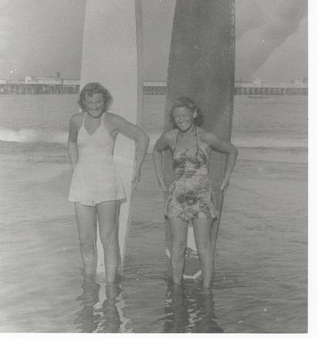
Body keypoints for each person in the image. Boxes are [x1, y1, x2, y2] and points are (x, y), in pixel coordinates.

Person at [68, 82, 149, 283]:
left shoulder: (111, 120)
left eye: (98, 101)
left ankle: (112, 288)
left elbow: (142, 137)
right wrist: (75, 167)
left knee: (108, 238)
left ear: (104, 101)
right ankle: (89, 284)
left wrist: (137, 167)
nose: (95, 106)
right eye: (90, 102)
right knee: (85, 240)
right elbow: (71, 142)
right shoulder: (76, 120)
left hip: (107, 183)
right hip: (82, 183)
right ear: (83, 103)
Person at [152, 97, 237, 288]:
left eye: (185, 115)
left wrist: (226, 178)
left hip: (202, 197)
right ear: (173, 118)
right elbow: (156, 150)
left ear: (194, 114)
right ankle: (176, 287)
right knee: (177, 247)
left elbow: (232, 150)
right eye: (177, 116)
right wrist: (160, 178)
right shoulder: (170, 137)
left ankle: (207, 290)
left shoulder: (206, 137)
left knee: (203, 247)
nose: (181, 119)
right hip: (177, 197)